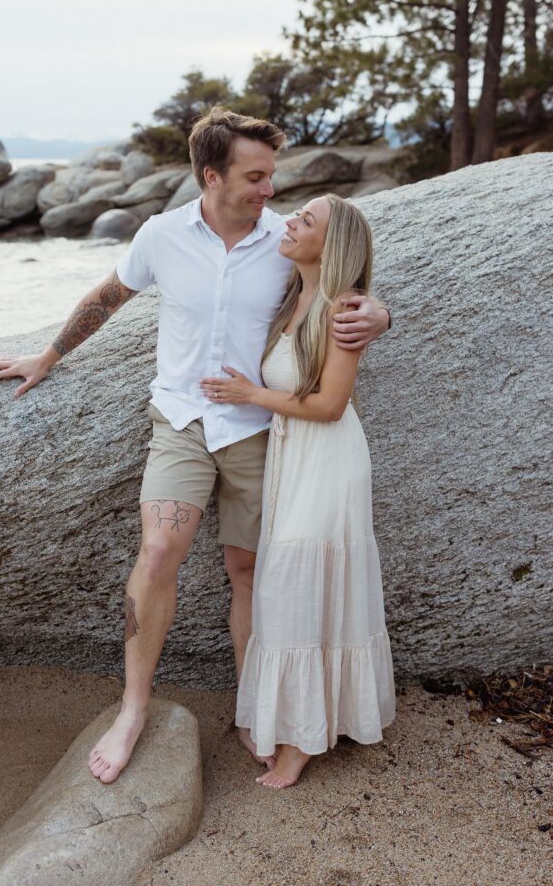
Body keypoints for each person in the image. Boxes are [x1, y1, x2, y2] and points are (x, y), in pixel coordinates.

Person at [0, 109, 391, 785]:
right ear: (211, 175)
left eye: (271, 175)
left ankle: (255, 708)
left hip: (261, 435)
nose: (268, 189)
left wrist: (379, 312)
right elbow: (110, 294)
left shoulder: (282, 243)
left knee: (249, 571)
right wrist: (46, 356)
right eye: (254, 176)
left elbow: (341, 283)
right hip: (181, 423)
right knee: (160, 549)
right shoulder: (161, 235)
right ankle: (132, 707)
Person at [200, 193, 395, 789]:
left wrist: (251, 396)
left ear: (330, 244)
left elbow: (332, 405)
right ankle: (300, 721)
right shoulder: (296, 293)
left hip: (326, 459)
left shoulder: (340, 308)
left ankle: (301, 742)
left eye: (305, 221)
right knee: (295, 588)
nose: (290, 221)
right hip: (293, 456)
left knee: (295, 587)